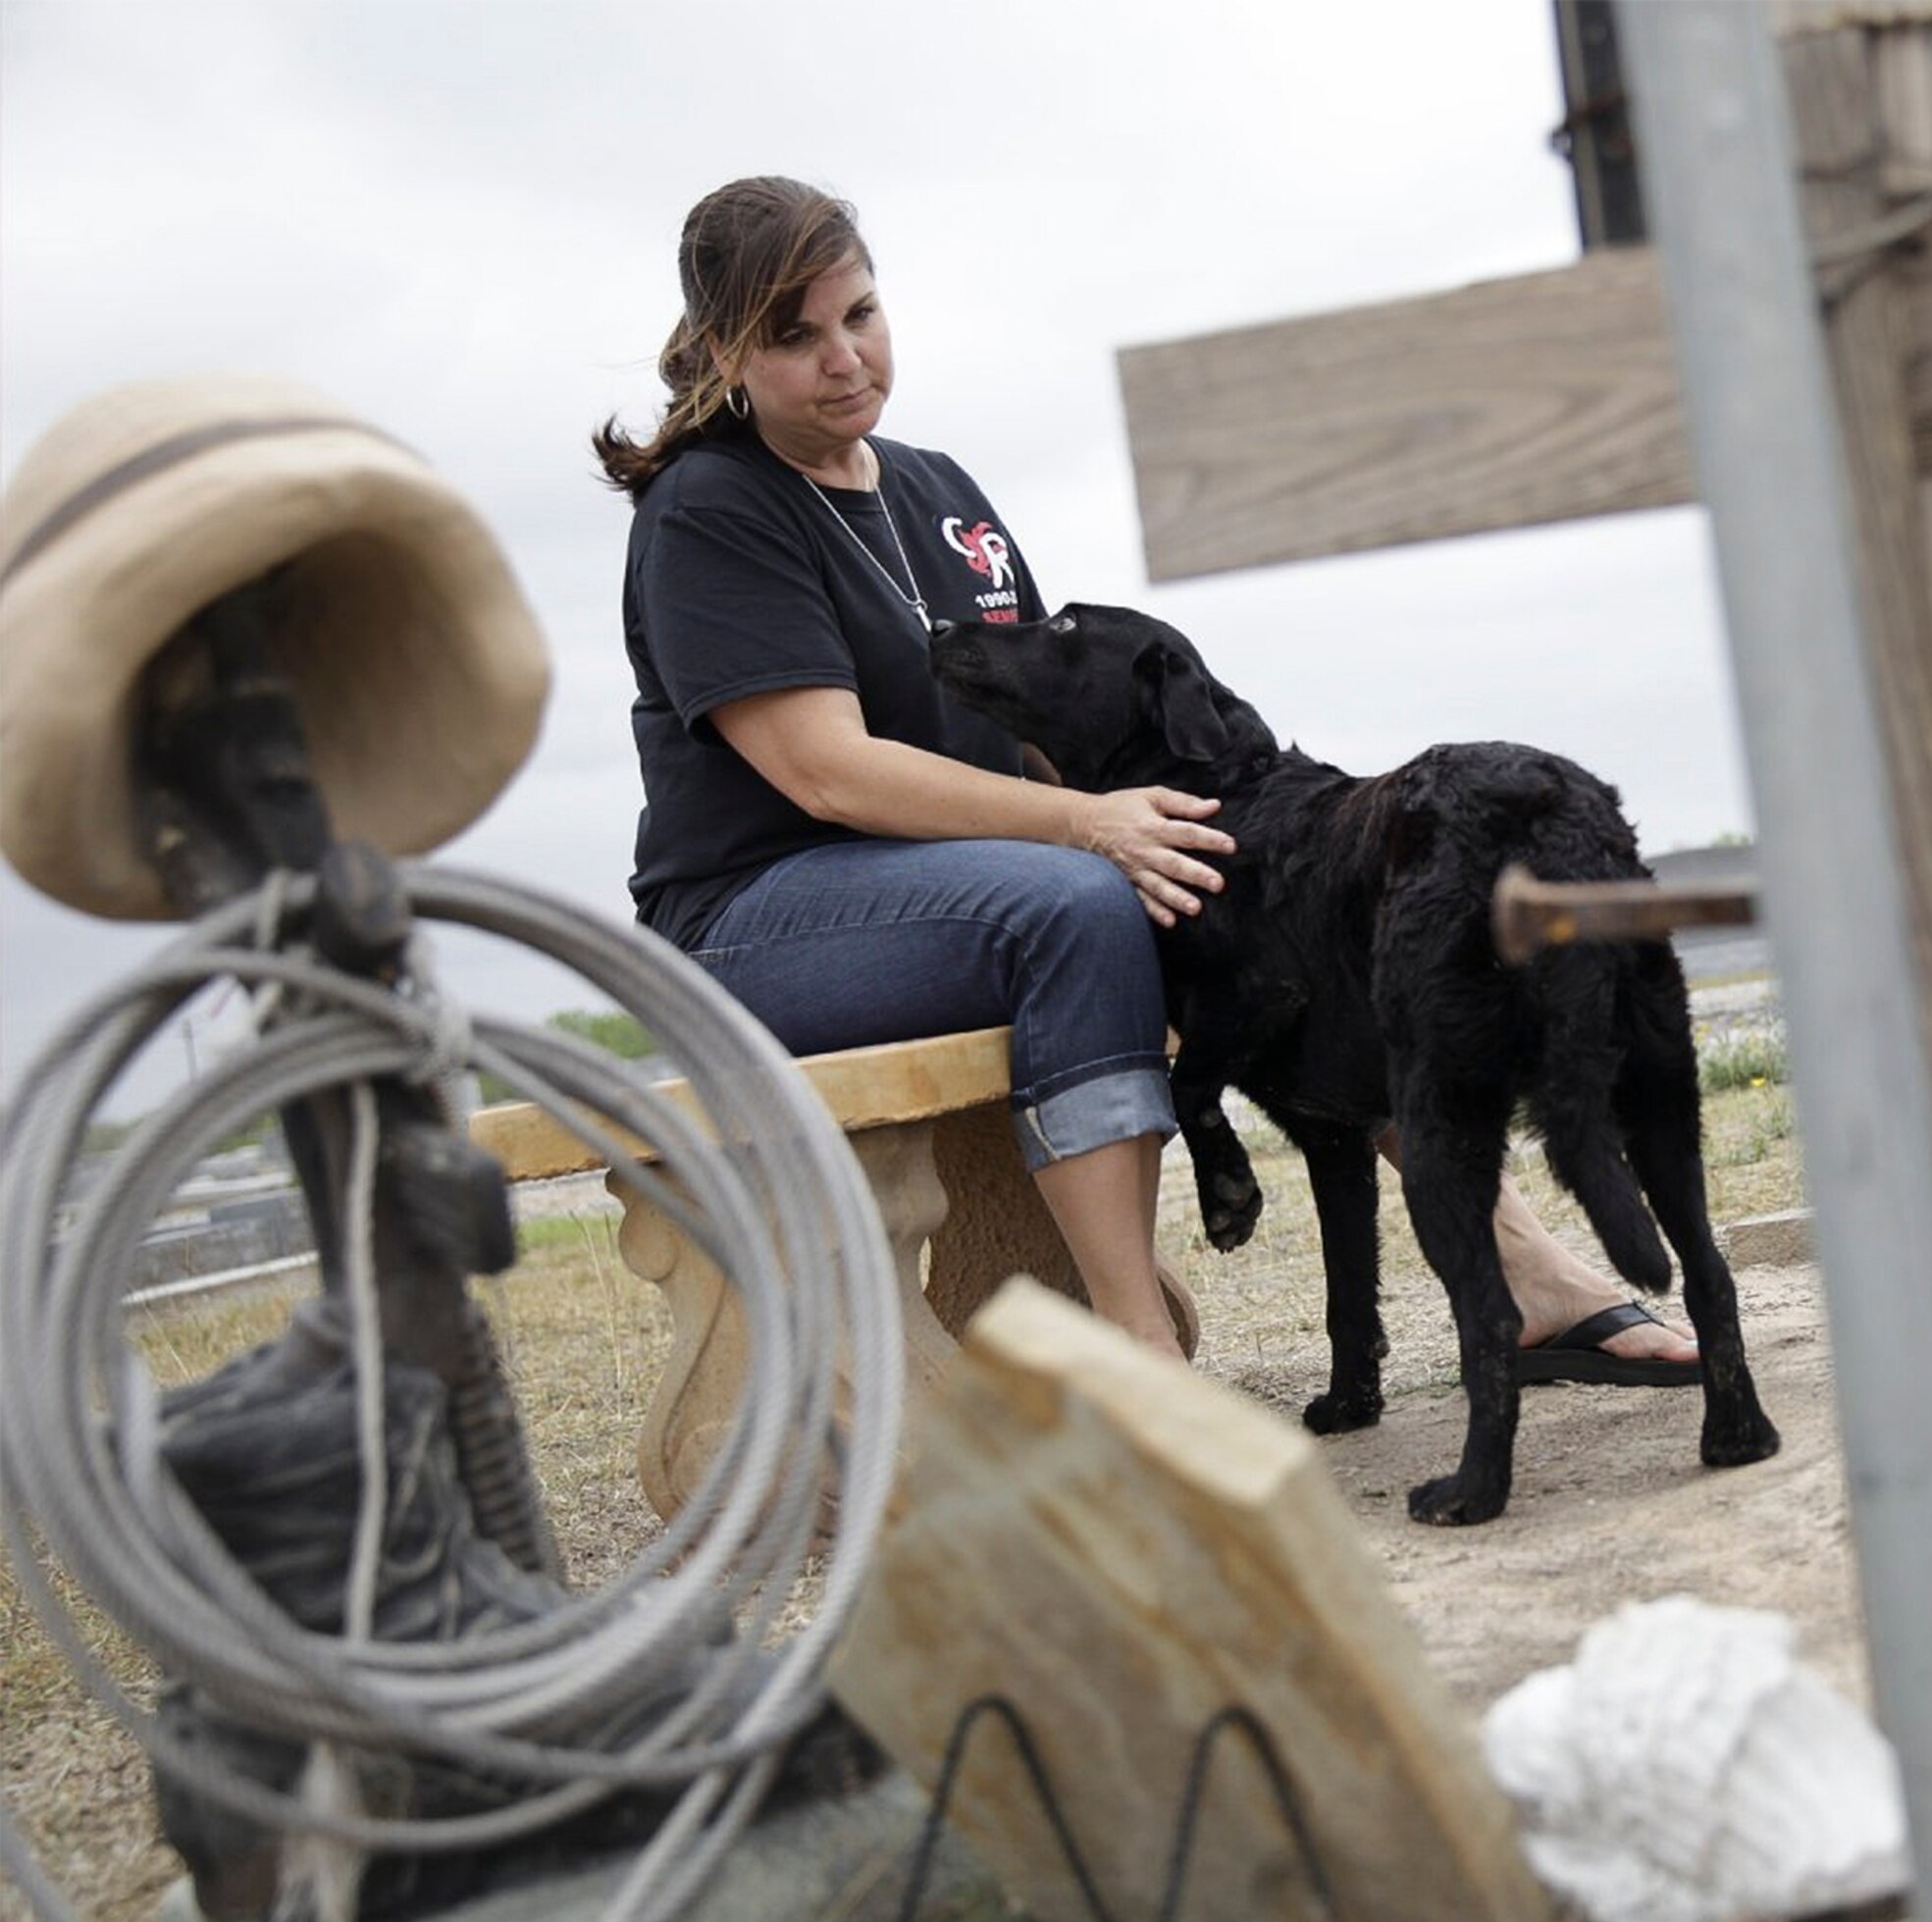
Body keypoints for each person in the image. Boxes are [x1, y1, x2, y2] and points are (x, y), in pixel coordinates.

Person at [593, 176, 1697, 1368]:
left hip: (966, 883)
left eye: (859, 313)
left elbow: (1044, 715)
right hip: (761, 917)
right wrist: (1084, 825)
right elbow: (829, 775)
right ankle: (1140, 1356)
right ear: (721, 351)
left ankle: (1519, 1270)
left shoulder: (934, 486)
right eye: (794, 337)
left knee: (1277, 885)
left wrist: (1270, 826)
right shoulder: (712, 506)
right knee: (1075, 902)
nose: (844, 358)